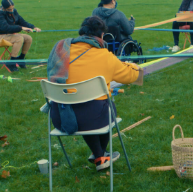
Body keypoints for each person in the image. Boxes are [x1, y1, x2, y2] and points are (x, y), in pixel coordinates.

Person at [47, 16, 141, 171]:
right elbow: (131, 76)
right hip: (93, 119)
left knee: (88, 106)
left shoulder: (61, 52)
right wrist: (134, 66)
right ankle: (100, 155)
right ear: (102, 36)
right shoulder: (105, 56)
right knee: (106, 107)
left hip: (60, 116)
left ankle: (99, 156)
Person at [0, 0, 41, 72]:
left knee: (28, 38)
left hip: (9, 35)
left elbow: (21, 21)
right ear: (4, 8)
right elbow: (5, 28)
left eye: (12, 8)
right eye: (9, 9)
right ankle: (11, 63)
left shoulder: (14, 11)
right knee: (19, 38)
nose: (11, 11)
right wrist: (21, 28)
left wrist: (33, 27)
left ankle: (20, 59)